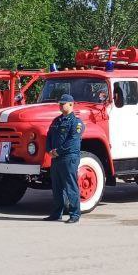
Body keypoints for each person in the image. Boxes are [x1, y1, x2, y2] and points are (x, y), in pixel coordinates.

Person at [45, 94, 85, 223]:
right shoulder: (56, 121)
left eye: (63, 104)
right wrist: (49, 150)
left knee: (70, 187)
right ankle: (57, 213)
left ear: (71, 104)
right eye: (60, 104)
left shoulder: (76, 122)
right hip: (56, 158)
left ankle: (74, 214)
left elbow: (73, 141)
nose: (61, 106)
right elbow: (49, 136)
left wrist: (58, 151)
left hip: (69, 158)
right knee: (57, 187)